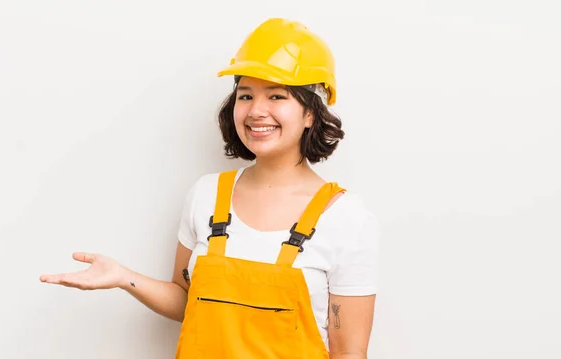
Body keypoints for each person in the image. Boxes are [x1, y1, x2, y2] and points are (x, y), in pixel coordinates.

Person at [40, 17, 380, 359]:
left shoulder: (345, 218)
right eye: (245, 95)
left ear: (311, 113)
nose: (256, 111)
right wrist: (123, 277)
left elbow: (348, 352)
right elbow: (188, 299)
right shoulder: (207, 196)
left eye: (277, 95)